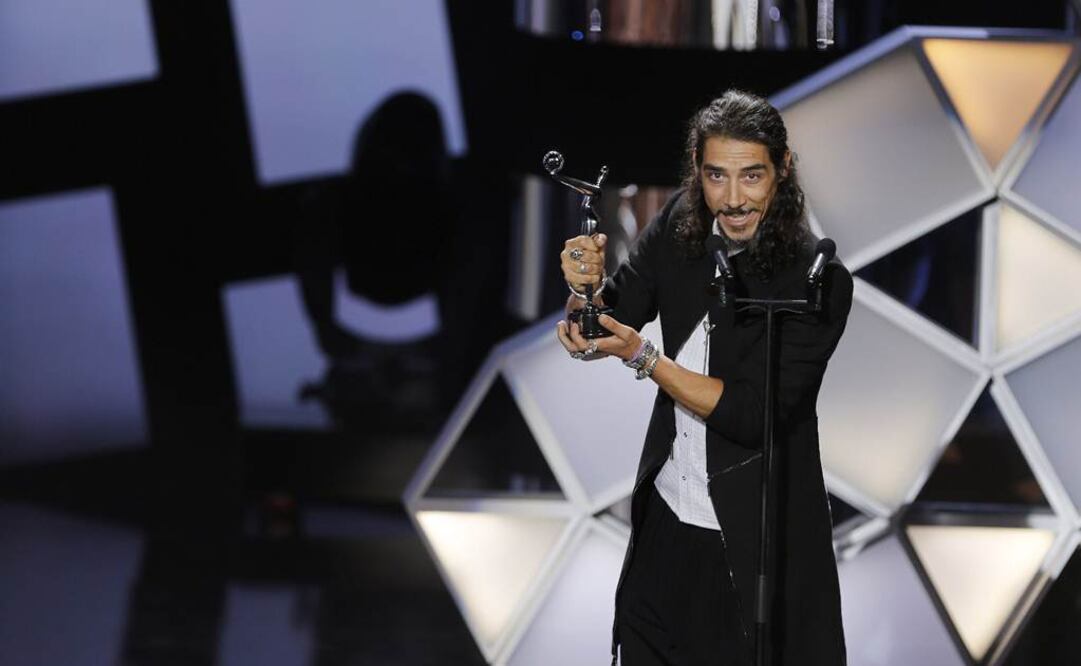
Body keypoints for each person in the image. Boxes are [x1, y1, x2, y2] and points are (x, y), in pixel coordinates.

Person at [555, 90, 852, 665]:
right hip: (665, 524)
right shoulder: (680, 226)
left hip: (747, 545)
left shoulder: (815, 279)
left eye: (751, 176)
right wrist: (583, 292)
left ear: (783, 168)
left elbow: (751, 414)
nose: (734, 199)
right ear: (697, 168)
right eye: (717, 176)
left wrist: (645, 357)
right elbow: (612, 313)